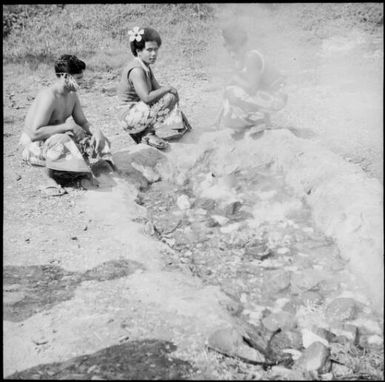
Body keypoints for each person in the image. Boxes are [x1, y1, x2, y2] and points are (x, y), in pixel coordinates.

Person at [20, 54, 113, 196]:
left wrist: (96, 131)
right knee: (63, 140)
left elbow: (82, 122)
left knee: (97, 137)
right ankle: (49, 178)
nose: (82, 82)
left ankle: (94, 169)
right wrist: (67, 127)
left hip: (54, 138)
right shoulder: (49, 96)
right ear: (65, 76)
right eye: (79, 78)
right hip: (33, 147)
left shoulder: (72, 94)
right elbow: (34, 133)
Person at [116, 26, 191, 150]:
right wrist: (168, 89)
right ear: (139, 51)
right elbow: (146, 97)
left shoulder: (145, 67)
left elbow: (159, 91)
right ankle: (147, 134)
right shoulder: (137, 70)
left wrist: (179, 114)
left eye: (156, 50)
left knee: (170, 97)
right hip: (129, 117)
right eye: (149, 50)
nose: (154, 54)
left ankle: (143, 136)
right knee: (169, 96)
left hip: (137, 114)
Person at [218, 23, 288, 138]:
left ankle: (259, 121)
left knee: (233, 91)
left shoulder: (251, 57)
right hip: (268, 96)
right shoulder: (244, 58)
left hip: (277, 98)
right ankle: (255, 121)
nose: (224, 46)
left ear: (234, 42)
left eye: (226, 43)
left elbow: (252, 88)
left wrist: (235, 79)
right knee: (229, 91)